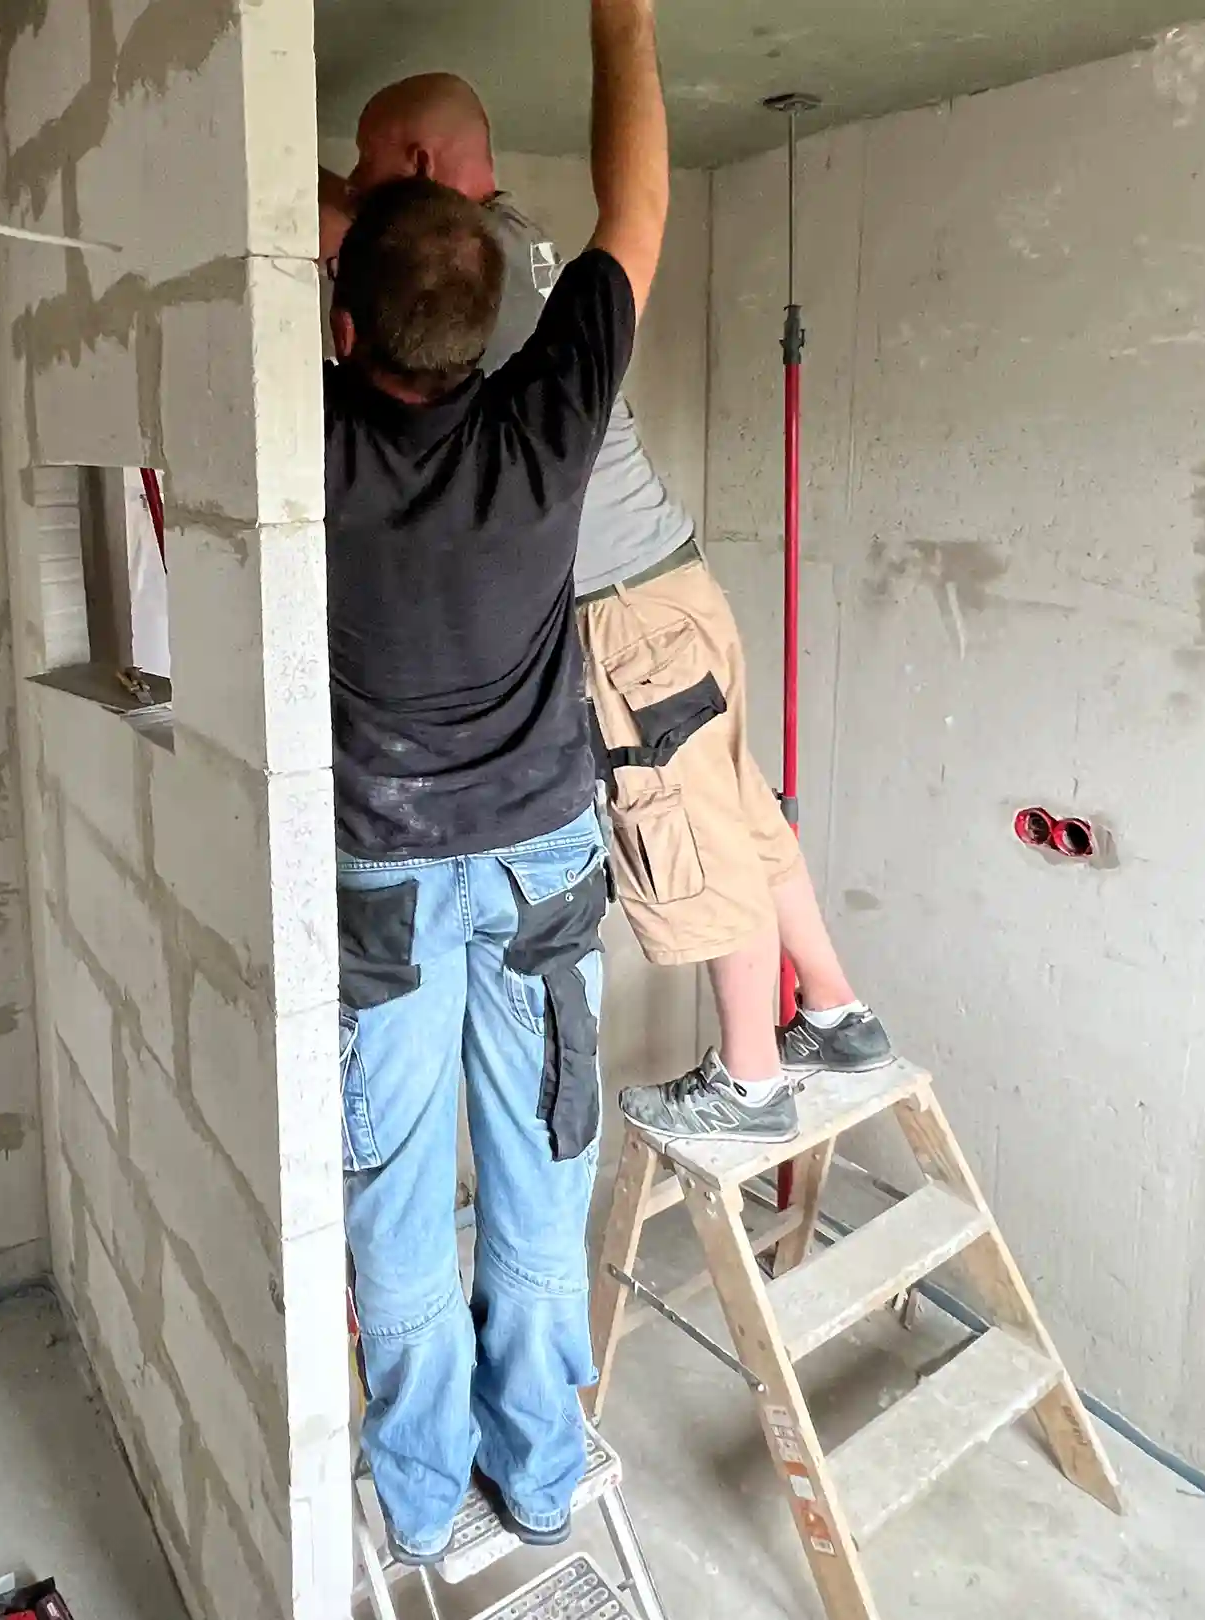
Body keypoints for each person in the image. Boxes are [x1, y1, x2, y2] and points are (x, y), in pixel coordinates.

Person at [321, 76, 893, 1154]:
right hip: (669, 586)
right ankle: (833, 1008)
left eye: (361, 159)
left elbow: (361, 246)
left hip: (620, 615)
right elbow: (367, 220)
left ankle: (754, 1080)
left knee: (683, 829)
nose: (348, 184)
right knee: (736, 805)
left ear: (418, 169)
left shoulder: (448, 271)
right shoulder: (516, 250)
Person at [323, 0, 669, 1565]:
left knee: (395, 1196)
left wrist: (360, 211)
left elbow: (287, 279)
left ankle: (412, 1495)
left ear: (342, 324)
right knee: (534, 1174)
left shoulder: (304, 453)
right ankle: (536, 1481)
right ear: (498, 306)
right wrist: (624, 21)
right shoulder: (552, 419)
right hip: (537, 866)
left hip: (381, 882)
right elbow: (635, 211)